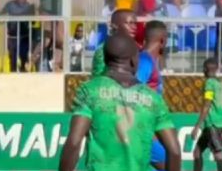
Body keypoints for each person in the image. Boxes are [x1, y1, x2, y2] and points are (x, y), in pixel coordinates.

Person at [59, 33, 181, 171]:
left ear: (104, 59)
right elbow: (174, 151)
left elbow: (74, 142)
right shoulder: (153, 98)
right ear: (134, 60)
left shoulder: (90, 90)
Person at [136, 20, 169, 170]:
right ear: (162, 40)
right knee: (171, 165)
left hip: (150, 130)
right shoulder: (144, 61)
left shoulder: (151, 61)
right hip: (143, 133)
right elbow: (133, 93)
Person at [191, 58, 222, 171]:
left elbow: (206, 106)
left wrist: (197, 126)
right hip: (218, 124)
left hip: (212, 125)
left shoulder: (209, 83)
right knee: (197, 152)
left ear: (204, 69)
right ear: (217, 69)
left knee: (218, 155)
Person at [92, 8, 138, 77]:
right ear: (114, 25)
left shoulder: (134, 47)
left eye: (135, 23)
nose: (134, 27)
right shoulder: (103, 49)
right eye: (130, 23)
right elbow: (97, 79)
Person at [1, 0, 35, 72]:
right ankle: (13, 76)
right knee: (12, 59)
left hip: (24, 37)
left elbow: (33, 21)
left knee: (24, 59)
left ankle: (24, 76)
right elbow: (2, 14)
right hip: (12, 37)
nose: (21, 0)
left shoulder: (28, 6)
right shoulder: (10, 5)